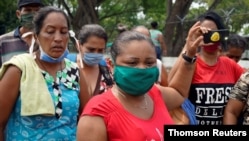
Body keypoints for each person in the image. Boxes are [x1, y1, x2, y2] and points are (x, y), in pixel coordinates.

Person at [77, 21, 207, 140]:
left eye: (149, 63)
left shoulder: (155, 94)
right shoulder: (98, 112)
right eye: (132, 63)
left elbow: (179, 93)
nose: (142, 69)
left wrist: (189, 55)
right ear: (111, 64)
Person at [0, 6, 90, 140]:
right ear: (36, 36)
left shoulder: (75, 71)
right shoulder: (19, 69)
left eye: (64, 32)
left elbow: (88, 118)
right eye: (50, 31)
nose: (58, 38)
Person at [168, 11, 244, 125]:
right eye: (204, 33)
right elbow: (171, 87)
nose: (210, 37)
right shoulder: (191, 62)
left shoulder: (230, 64)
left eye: (215, 32)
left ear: (221, 34)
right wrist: (190, 44)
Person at [66, 24, 113, 96]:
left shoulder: (105, 69)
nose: (96, 53)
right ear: (78, 45)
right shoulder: (65, 66)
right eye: (91, 49)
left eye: (100, 50)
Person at [0, 0, 44, 67]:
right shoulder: (3, 42)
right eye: (28, 10)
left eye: (37, 10)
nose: (33, 14)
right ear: (18, 14)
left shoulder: (49, 41)